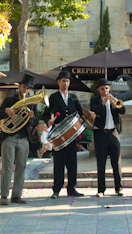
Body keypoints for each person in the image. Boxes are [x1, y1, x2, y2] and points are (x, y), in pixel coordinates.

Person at [43, 69, 94, 199]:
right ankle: (56, 189)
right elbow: (46, 113)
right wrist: (48, 120)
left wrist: (88, 115)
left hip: (72, 135)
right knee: (58, 163)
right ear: (59, 82)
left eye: (67, 81)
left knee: (72, 162)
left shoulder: (73, 97)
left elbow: (81, 112)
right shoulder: (53, 97)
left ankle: (71, 188)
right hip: (59, 134)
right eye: (63, 81)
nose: (66, 83)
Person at [0, 73, 39, 205]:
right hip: (9, 136)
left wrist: (32, 117)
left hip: (24, 138)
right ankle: (4, 195)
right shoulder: (9, 99)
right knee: (7, 167)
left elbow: (36, 121)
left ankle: (16, 195)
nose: (26, 90)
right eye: (24, 87)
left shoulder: (32, 102)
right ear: (19, 87)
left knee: (21, 167)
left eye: (28, 88)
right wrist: (7, 111)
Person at [90, 78, 126, 197]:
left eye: (107, 88)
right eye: (102, 89)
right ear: (98, 90)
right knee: (101, 162)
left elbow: (123, 111)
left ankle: (118, 188)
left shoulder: (114, 98)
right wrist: (103, 103)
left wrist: (116, 103)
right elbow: (94, 113)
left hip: (113, 132)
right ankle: (101, 190)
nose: (105, 91)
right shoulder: (94, 100)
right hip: (100, 133)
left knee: (116, 161)